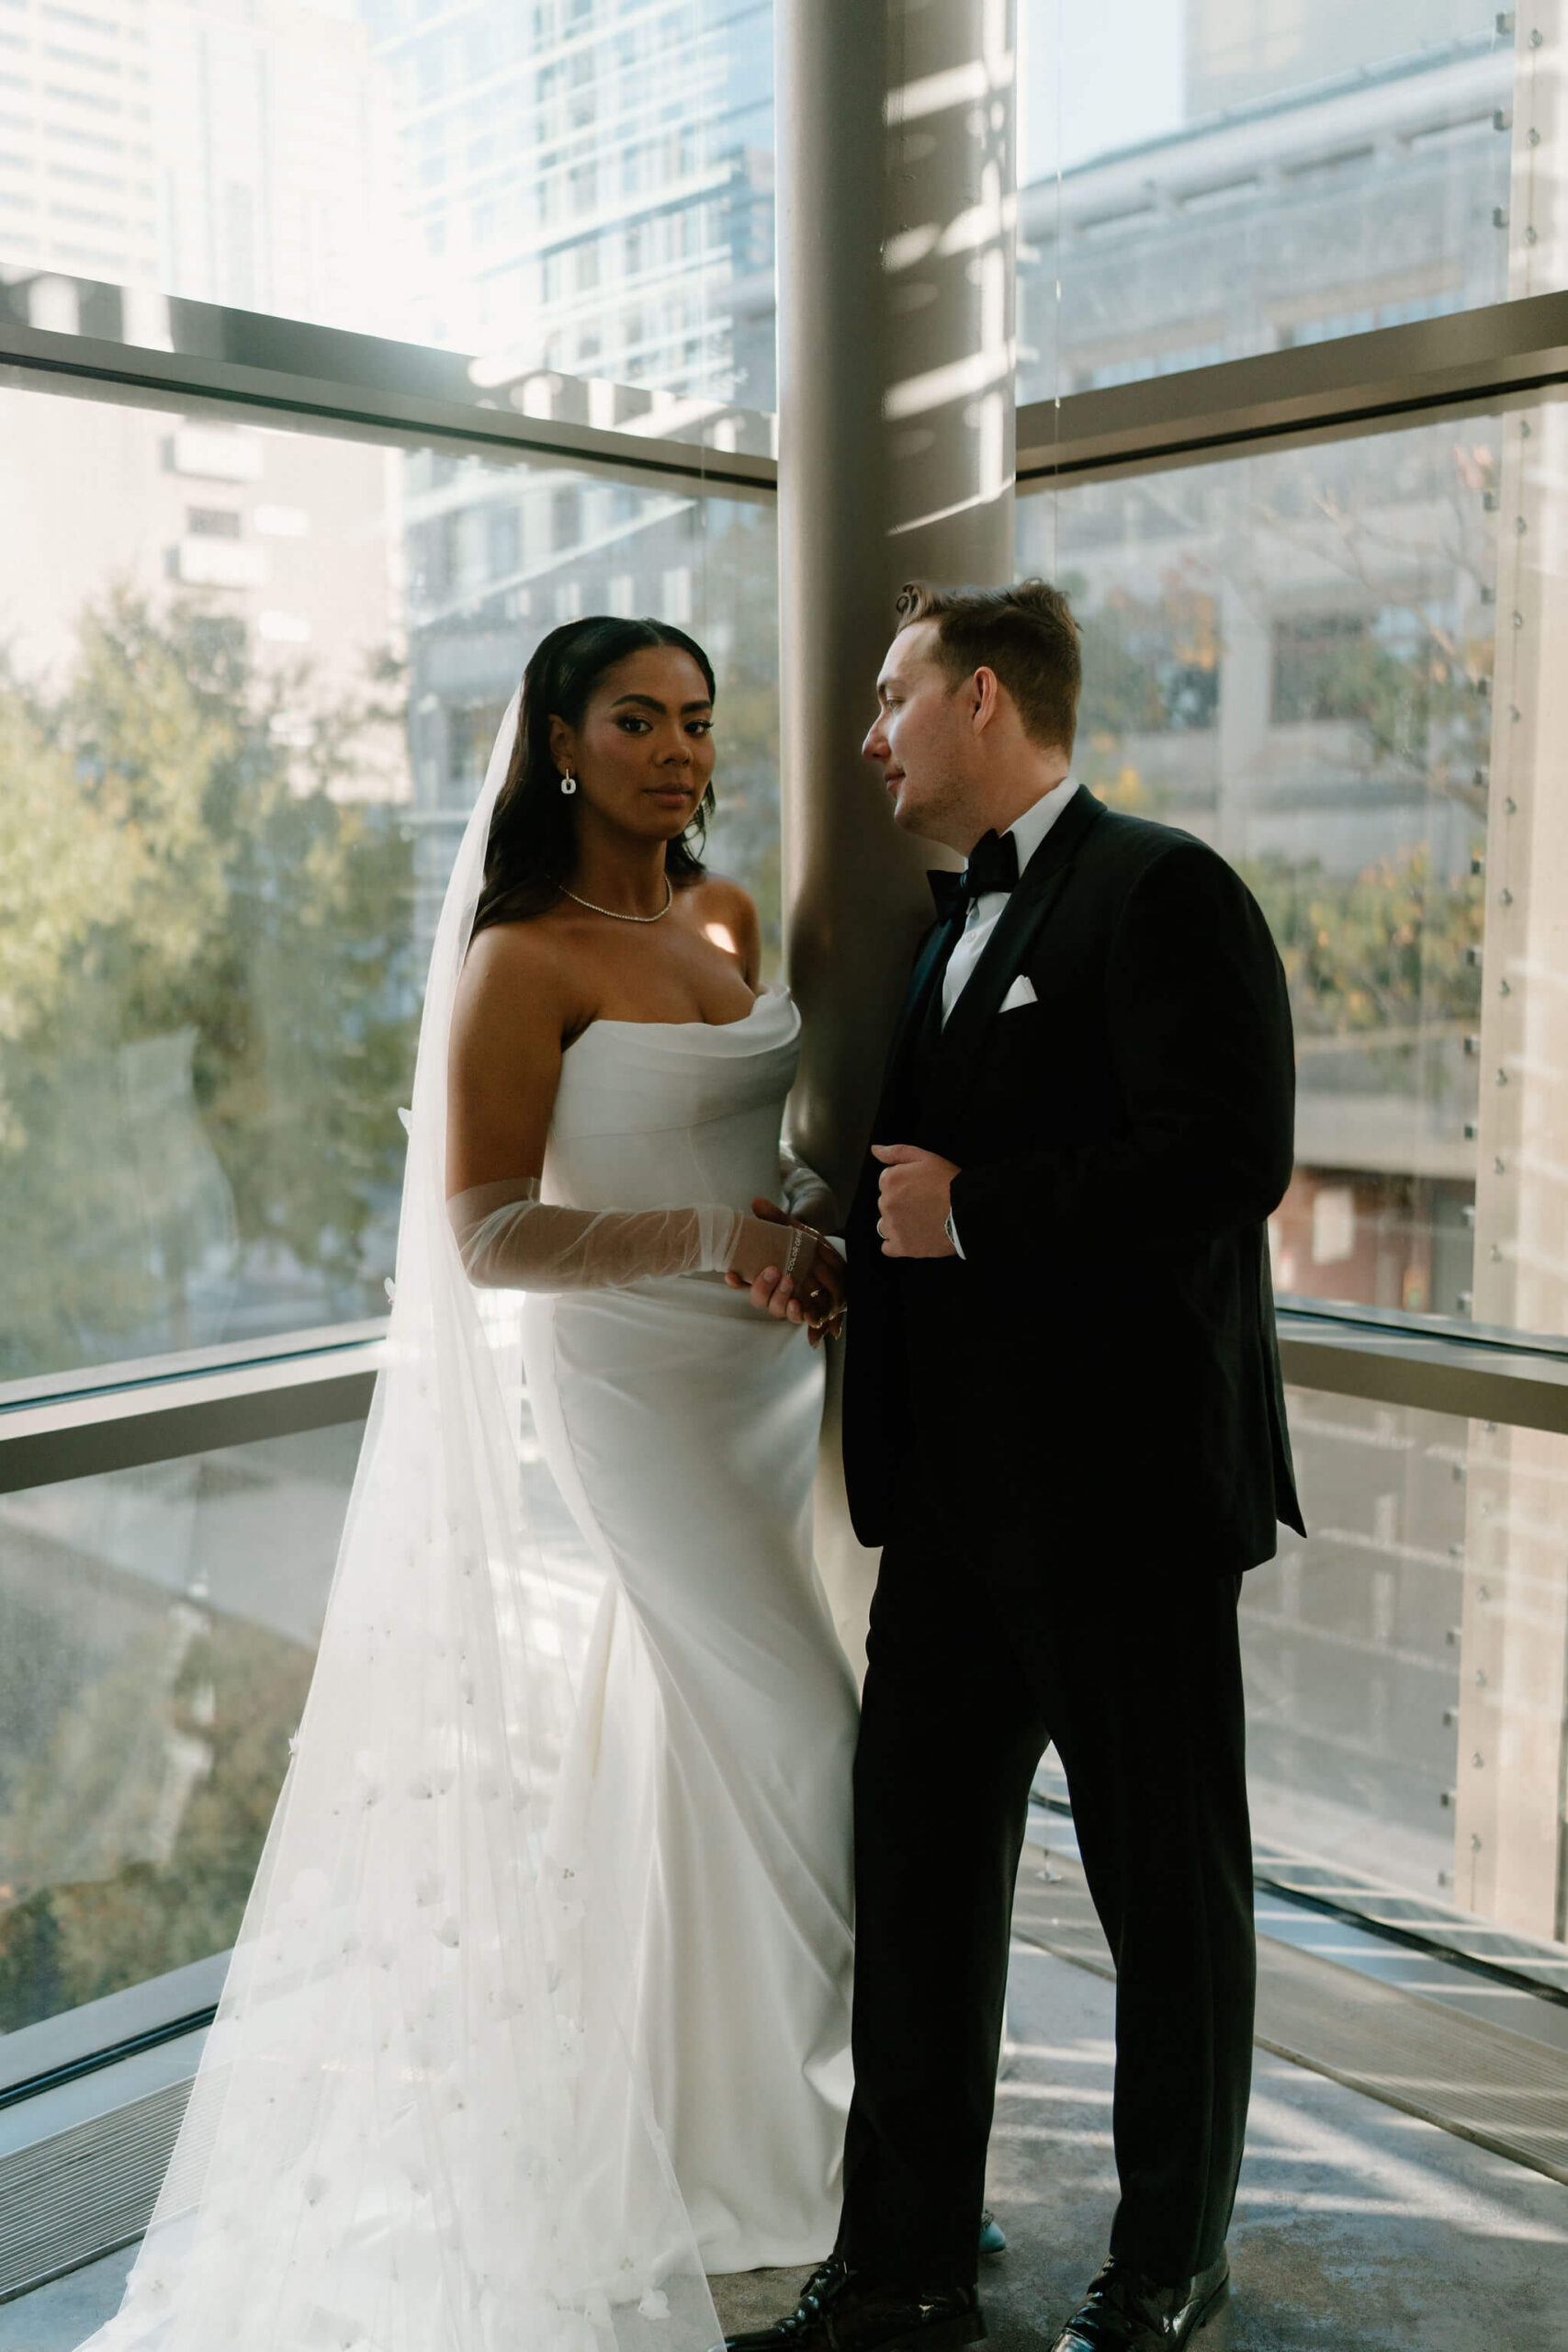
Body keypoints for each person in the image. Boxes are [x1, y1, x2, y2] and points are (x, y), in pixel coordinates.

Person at [74, 616, 856, 2352]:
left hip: (767, 1376)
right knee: (807, 1743)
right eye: (637, 719)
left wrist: (791, 1224)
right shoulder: (522, 958)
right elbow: (485, 1227)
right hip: (640, 1391)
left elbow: (749, 1137)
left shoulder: (727, 919)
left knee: (702, 1761)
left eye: (698, 720)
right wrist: (718, 1238)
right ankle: (776, 2158)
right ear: (561, 744)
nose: (677, 749)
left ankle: (724, 2140)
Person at [729, 580, 1303, 2352]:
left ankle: (1164, 2269)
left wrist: (973, 1214)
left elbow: (1227, 1159)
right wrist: (849, 1238)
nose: (869, 738)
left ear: (986, 699)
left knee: (1166, 1910)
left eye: (893, 696)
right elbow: (946, 1167)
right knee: (916, 1886)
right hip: (954, 1516)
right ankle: (900, 2257)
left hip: (1122, 1509)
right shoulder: (941, 923)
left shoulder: (1166, 889)